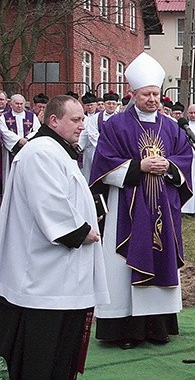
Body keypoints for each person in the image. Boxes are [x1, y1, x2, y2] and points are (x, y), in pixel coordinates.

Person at [0, 95, 109, 379]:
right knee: (40, 360)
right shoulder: (40, 152)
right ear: (53, 120)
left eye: (83, 119)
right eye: (75, 119)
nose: (82, 126)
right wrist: (83, 232)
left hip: (58, 280)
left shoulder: (57, 150)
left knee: (60, 359)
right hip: (43, 282)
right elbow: (49, 204)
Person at [90, 52, 193, 349]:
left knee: (161, 256)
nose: (152, 99)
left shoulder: (172, 127)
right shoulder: (116, 125)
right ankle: (125, 330)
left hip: (163, 205)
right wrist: (139, 167)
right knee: (122, 267)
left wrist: (171, 167)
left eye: (156, 94)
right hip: (128, 208)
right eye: (146, 94)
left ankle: (158, 328)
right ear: (133, 94)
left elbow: (184, 159)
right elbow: (103, 164)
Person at [0, 93, 41, 187]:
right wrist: (18, 140)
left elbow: (37, 130)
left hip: (28, 146)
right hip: (12, 150)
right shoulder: (4, 117)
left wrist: (27, 139)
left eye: (21, 104)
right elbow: (4, 131)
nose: (19, 106)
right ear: (11, 104)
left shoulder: (31, 116)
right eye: (17, 104)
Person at [81, 91, 120, 182]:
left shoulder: (121, 118)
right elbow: (92, 133)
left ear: (116, 105)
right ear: (105, 104)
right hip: (97, 149)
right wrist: (104, 146)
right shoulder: (95, 118)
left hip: (116, 150)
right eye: (109, 103)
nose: (111, 106)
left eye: (113, 104)